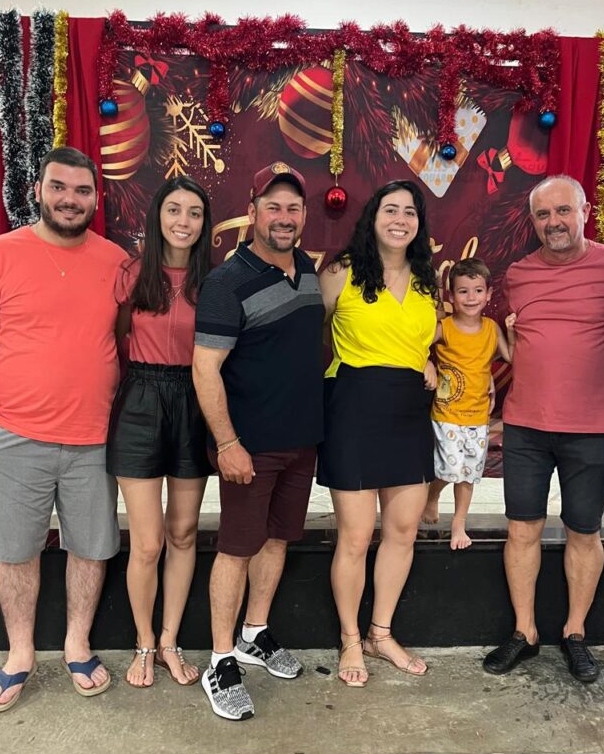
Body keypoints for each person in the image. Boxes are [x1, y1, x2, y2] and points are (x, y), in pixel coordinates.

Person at [0, 146, 126, 712]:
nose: (70, 200)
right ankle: (20, 654)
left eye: (82, 191)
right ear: (38, 190)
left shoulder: (116, 263)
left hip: (95, 439)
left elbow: (126, 341)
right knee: (15, 551)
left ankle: (78, 644)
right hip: (13, 436)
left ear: (96, 198)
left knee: (91, 548)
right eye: (59, 187)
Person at [192, 162, 324, 721]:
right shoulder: (227, 282)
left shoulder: (309, 271)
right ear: (252, 213)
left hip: (300, 441)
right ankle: (220, 661)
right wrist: (227, 444)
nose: (283, 217)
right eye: (273, 206)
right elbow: (205, 369)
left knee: (277, 541)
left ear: (304, 215)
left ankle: (254, 633)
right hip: (248, 445)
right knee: (237, 548)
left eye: (293, 207)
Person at [483, 175, 604, 682]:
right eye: (543, 214)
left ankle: (575, 633)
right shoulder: (518, 275)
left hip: (592, 427)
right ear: (533, 221)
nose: (554, 222)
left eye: (563, 211)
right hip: (525, 427)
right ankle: (524, 632)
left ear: (584, 211)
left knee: (584, 532)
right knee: (521, 530)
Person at [318, 179, 438, 687]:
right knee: (355, 535)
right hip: (354, 408)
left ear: (419, 224)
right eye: (391, 209)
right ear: (373, 217)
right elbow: (306, 337)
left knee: (402, 531)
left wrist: (428, 360)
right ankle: (350, 638)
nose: (400, 219)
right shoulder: (340, 273)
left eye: (410, 212)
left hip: (409, 411)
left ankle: (380, 633)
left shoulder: (429, 281)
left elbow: (420, 338)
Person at [106, 176, 213, 688]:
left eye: (194, 212)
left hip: (194, 399)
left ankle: (170, 641)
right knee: (147, 543)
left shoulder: (214, 282)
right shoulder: (130, 274)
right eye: (174, 210)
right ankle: (144, 642)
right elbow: (114, 340)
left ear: (204, 223)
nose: (183, 221)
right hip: (141, 401)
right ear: (157, 216)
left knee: (183, 532)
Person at [422, 257, 514, 549]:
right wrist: (427, 363)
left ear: (488, 294)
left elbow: (511, 357)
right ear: (451, 296)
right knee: (450, 468)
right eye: (463, 291)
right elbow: (415, 346)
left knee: (469, 473)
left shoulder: (491, 328)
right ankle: (433, 495)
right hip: (447, 413)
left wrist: (511, 331)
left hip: (478, 416)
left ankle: (458, 522)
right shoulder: (444, 327)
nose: (471, 298)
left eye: (477, 291)